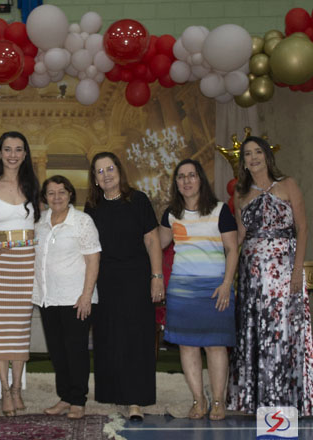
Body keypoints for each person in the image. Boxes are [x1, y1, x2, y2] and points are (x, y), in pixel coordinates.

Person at [227, 136, 313, 417]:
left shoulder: (288, 184)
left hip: (284, 271)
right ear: (243, 162)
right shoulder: (240, 194)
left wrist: (297, 270)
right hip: (252, 275)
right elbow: (240, 237)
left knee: (284, 331)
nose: (253, 158)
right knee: (255, 332)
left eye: (258, 152)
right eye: (248, 154)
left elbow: (302, 228)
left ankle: (289, 399)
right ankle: (256, 401)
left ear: (267, 156)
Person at [85, 152, 164, 421]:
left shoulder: (138, 200)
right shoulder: (92, 208)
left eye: (110, 168)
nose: (106, 175)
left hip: (136, 279)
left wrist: (156, 276)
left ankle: (135, 400)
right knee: (109, 338)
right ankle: (113, 394)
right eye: (100, 171)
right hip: (104, 281)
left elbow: (152, 240)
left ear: (119, 170)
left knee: (136, 339)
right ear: (94, 178)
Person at [158, 159, 238, 421]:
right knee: (187, 346)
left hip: (216, 290)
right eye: (181, 177)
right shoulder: (171, 214)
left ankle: (218, 401)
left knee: (216, 346)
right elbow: (156, 244)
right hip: (182, 292)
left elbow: (232, 249)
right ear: (176, 183)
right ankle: (198, 400)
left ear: (200, 179)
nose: (187, 181)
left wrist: (226, 284)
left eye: (191, 175)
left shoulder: (220, 210)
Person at [0, 131, 41, 416]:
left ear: (25, 154)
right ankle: (4, 389)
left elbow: (40, 224)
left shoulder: (33, 184)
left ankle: (17, 389)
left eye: (18, 149)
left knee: (21, 327)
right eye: (7, 149)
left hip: (25, 262)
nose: (13, 155)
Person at [33, 176, 101, 420]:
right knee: (57, 351)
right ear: (45, 198)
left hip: (75, 298)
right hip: (47, 298)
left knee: (76, 351)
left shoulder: (82, 221)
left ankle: (78, 400)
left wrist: (86, 295)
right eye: (51, 193)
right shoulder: (39, 222)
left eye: (62, 192)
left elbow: (93, 260)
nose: (57, 197)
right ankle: (65, 397)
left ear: (70, 194)